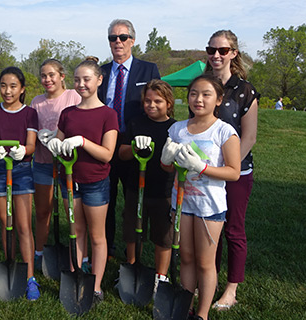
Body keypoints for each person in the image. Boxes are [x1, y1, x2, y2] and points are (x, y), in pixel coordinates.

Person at [161, 74, 242, 320]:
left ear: (218, 100)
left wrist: (202, 167)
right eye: (194, 93)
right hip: (182, 202)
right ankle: (185, 307)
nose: (199, 99)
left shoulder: (224, 131)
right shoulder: (177, 129)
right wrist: (165, 161)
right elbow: (170, 168)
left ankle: (202, 314)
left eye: (206, 94)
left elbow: (234, 172)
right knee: (186, 257)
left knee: (205, 262)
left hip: (209, 206)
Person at [44, 56, 119, 305]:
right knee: (76, 232)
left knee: (97, 236)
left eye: (86, 79)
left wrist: (84, 142)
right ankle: (77, 276)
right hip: (70, 182)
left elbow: (107, 154)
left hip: (96, 182)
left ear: (99, 80)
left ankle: (95, 286)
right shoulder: (68, 113)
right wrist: (54, 143)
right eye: (77, 79)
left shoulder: (108, 114)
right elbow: (60, 143)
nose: (81, 84)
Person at [202, 30, 260, 311]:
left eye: (222, 50)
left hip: (236, 173)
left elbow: (249, 137)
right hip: (205, 171)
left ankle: (231, 290)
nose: (216, 55)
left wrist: (229, 166)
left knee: (233, 230)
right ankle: (207, 281)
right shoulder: (200, 85)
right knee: (210, 228)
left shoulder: (245, 91)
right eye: (211, 50)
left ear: (233, 53)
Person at [97, 19, 162, 259]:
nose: (117, 42)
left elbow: (158, 103)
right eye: (112, 38)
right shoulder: (101, 73)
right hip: (105, 144)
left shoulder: (149, 70)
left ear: (132, 40)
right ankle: (106, 246)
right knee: (106, 198)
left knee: (134, 198)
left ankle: (133, 248)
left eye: (122, 37)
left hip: (135, 144)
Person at [0, 66, 40, 300]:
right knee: (6, 222)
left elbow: (32, 145)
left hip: (21, 168)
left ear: (22, 88)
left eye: (13, 86)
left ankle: (29, 278)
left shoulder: (30, 113)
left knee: (24, 225)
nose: (7, 91)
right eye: (3, 86)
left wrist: (24, 150)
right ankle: (10, 265)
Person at [117, 79, 177, 285]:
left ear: (169, 103)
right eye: (147, 101)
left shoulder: (175, 128)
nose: (151, 105)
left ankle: (161, 276)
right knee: (133, 231)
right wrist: (134, 148)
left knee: (163, 235)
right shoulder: (136, 123)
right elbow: (122, 153)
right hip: (136, 188)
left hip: (164, 190)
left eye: (158, 101)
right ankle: (132, 267)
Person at [31, 59, 82, 270]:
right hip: (44, 162)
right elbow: (31, 131)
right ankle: (39, 252)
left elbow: (82, 123)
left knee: (72, 212)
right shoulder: (37, 101)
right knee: (43, 211)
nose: (47, 79)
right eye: (43, 76)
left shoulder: (73, 96)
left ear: (62, 76)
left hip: (69, 164)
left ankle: (79, 257)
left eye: (52, 75)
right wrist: (40, 137)